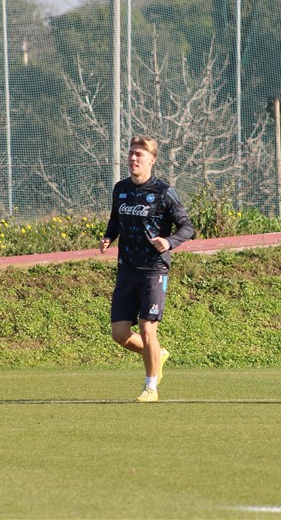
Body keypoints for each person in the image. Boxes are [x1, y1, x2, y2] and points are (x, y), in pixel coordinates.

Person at [100, 136, 194, 403]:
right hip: (127, 270)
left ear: (152, 160)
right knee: (119, 334)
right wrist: (109, 237)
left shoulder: (163, 192)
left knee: (147, 329)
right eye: (131, 153)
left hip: (154, 270)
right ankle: (157, 354)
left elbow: (187, 226)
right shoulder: (120, 189)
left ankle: (150, 387)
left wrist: (169, 241)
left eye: (139, 154)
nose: (133, 158)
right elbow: (115, 220)